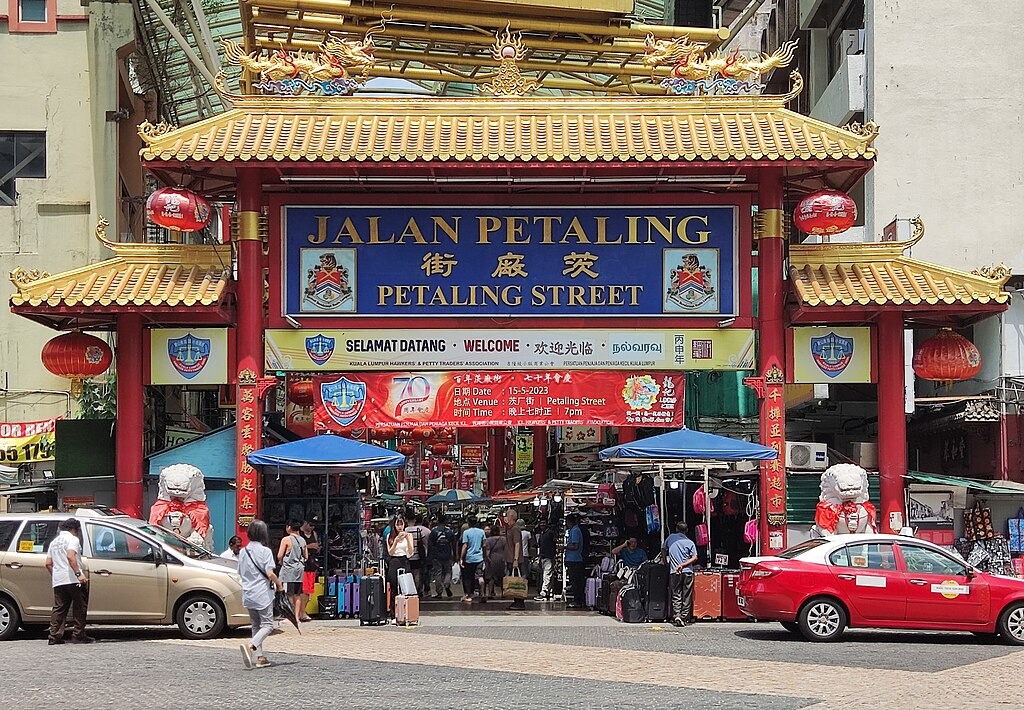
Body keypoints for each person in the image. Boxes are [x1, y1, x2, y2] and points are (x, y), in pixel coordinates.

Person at [238, 519, 284, 669]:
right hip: (262, 593)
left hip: (248, 592)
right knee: (268, 625)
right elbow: (270, 573)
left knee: (256, 625)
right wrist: (279, 584)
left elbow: (240, 572)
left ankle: (260, 657)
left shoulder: (243, 552)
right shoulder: (265, 551)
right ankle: (251, 645)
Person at [45, 518, 92, 645]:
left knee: (59, 608)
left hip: (58, 580)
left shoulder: (54, 542)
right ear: (74, 529)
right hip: (73, 578)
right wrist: (79, 574)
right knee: (79, 606)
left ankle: (54, 636)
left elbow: (48, 563)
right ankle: (78, 635)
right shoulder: (73, 539)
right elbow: (71, 556)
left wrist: (56, 575)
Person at [667, 523, 698, 627]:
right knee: (686, 595)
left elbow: (663, 548)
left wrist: (665, 560)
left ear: (676, 529)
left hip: (674, 571)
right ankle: (684, 617)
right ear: (687, 530)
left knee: (676, 593)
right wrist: (683, 565)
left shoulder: (671, 538)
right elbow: (694, 557)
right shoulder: (690, 542)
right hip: (688, 571)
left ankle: (677, 615)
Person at [276, 520, 307, 625]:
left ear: (289, 527)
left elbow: (280, 555)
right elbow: (306, 556)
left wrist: (281, 561)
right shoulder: (302, 540)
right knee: (297, 594)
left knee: (289, 594)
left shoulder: (286, 539)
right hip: (300, 569)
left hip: (289, 569)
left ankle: (290, 617)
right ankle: (297, 617)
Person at [385, 516, 414, 617]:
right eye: (398, 524)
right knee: (394, 588)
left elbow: (411, 552)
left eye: (401, 524)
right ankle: (393, 613)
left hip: (404, 560)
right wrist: (396, 541)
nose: (400, 527)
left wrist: (407, 539)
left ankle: (405, 613)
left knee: (405, 587)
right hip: (394, 561)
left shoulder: (409, 535)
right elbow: (390, 552)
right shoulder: (390, 536)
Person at [427, 517, 457, 598]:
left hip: (436, 556)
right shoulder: (449, 531)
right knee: (448, 571)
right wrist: (455, 555)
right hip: (447, 555)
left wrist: (430, 556)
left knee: (438, 573)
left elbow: (430, 544)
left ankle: (439, 592)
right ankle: (446, 584)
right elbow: (454, 544)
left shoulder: (434, 531)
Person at [298, 520, 320, 622]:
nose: (312, 528)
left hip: (312, 563)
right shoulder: (299, 533)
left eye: (314, 526)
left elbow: (317, 545)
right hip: (302, 564)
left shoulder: (314, 534)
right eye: (310, 525)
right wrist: (309, 546)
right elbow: (298, 548)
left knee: (308, 590)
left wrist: (317, 547)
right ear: (305, 523)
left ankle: (303, 611)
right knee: (302, 589)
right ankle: (301, 612)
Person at [504, 509, 526, 610]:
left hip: (515, 560)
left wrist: (516, 559)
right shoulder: (509, 529)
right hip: (510, 559)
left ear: (511, 517)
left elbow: (517, 544)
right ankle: (516, 601)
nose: (505, 518)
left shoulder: (515, 529)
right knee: (514, 580)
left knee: (517, 581)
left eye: (507, 516)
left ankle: (519, 602)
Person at [460, 517, 485, 603]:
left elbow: (465, 546)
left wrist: (461, 558)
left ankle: (469, 595)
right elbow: (484, 545)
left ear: (469, 523)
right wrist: (484, 555)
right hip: (479, 557)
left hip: (469, 558)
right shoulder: (482, 532)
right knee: (480, 576)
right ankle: (482, 593)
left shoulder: (466, 532)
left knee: (468, 577)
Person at [405, 513, 431, 596]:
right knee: (417, 574)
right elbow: (424, 542)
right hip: (417, 555)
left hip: (407, 556)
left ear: (406, 520)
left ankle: (410, 589)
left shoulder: (405, 531)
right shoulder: (417, 530)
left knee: (409, 573)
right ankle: (416, 589)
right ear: (414, 520)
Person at [564, 513, 586, 609]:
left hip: (575, 560)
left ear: (569, 522)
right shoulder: (573, 530)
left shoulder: (575, 531)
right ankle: (577, 600)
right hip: (573, 559)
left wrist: (565, 546)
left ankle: (578, 601)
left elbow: (575, 546)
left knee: (576, 581)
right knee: (575, 581)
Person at [482, 523, 506, 602]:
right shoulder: (503, 539)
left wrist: (486, 558)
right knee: (502, 577)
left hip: (492, 559)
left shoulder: (489, 540)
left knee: (490, 577)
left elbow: (487, 550)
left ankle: (490, 593)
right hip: (501, 559)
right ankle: (503, 593)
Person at [534, 521, 557, 601]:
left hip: (549, 557)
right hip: (543, 557)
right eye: (541, 523)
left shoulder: (550, 533)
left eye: (544, 523)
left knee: (546, 575)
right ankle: (548, 591)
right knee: (546, 575)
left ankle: (543, 592)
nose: (542, 524)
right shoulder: (542, 534)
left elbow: (555, 543)